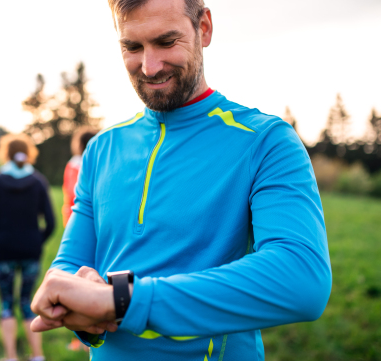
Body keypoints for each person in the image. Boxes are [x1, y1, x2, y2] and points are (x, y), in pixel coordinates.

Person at [29, 0, 332, 360]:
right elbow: (71, 262)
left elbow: (301, 278)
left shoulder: (265, 141)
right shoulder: (101, 149)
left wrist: (123, 301)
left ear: (203, 28)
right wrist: (65, 294)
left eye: (166, 41)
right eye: (132, 47)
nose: (149, 66)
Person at [0, 134, 55, 361]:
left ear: (6, 153)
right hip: (30, 252)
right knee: (26, 301)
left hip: (3, 251)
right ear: (29, 152)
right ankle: (37, 355)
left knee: (6, 303)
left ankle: (11, 356)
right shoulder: (38, 181)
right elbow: (51, 223)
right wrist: (36, 241)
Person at [61, 128, 98, 352]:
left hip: (76, 223)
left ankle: (80, 338)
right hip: (101, 225)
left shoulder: (73, 165)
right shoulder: (101, 160)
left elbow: (69, 194)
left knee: (79, 277)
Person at [62, 128, 99, 227]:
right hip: (82, 217)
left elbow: (71, 193)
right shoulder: (76, 165)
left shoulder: (73, 165)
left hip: (76, 216)